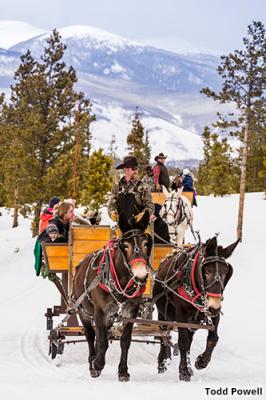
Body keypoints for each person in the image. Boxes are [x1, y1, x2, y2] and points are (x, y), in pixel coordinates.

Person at [108, 156, 154, 222]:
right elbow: (112, 204)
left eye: (137, 168)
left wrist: (144, 214)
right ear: (125, 170)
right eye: (133, 168)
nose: (136, 171)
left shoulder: (144, 187)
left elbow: (150, 205)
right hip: (122, 226)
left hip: (139, 226)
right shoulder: (117, 187)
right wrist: (112, 213)